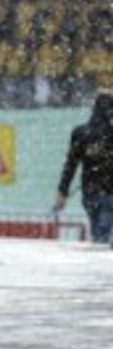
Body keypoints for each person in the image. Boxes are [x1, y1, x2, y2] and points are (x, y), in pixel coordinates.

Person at [54, 92, 113, 245]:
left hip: (90, 192)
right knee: (103, 238)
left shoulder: (80, 133)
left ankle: (100, 259)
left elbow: (71, 165)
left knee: (98, 234)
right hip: (110, 191)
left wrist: (63, 191)